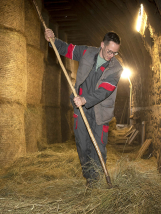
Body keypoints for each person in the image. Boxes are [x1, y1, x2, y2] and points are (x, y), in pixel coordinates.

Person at [45, 29, 123, 187]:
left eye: (115, 53)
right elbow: (67, 49)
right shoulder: (86, 52)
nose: (111, 56)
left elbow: (104, 91)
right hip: (80, 110)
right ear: (102, 45)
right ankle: (90, 179)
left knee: (98, 146)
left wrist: (85, 99)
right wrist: (52, 40)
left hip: (101, 112)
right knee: (82, 143)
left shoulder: (116, 68)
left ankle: (98, 180)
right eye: (109, 51)